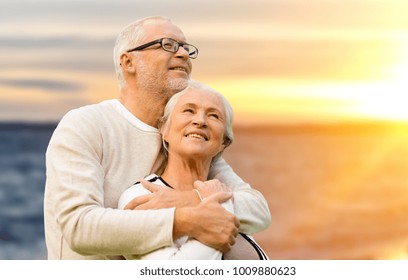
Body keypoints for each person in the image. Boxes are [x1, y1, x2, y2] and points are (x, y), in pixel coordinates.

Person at [44, 16, 270, 260]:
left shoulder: (183, 138)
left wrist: (190, 199)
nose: (183, 53)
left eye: (185, 47)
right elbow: (79, 227)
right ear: (128, 62)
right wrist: (185, 220)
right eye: (167, 45)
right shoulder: (86, 125)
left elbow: (257, 209)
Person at [118, 81, 268, 260]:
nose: (200, 121)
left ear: (223, 142)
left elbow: (262, 214)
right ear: (164, 129)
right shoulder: (142, 195)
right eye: (188, 110)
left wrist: (202, 199)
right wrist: (216, 207)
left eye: (213, 115)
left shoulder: (223, 192)